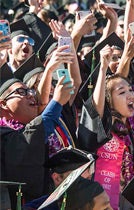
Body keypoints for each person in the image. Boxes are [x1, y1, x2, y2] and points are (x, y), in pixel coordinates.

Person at [78, 45, 134, 209]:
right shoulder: (104, 130)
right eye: (122, 92)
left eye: (130, 90)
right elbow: (96, 110)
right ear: (109, 100)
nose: (130, 95)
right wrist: (103, 68)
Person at [0, 62, 74, 208]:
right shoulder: (3, 133)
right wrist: (57, 101)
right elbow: (30, 138)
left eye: (30, 91)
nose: (30, 96)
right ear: (3, 104)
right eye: (21, 92)